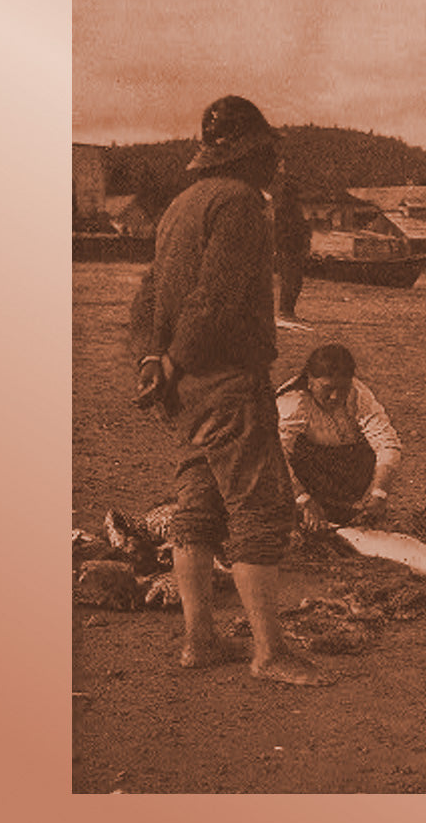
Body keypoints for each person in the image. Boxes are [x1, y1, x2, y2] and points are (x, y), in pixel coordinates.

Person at [129, 95, 330, 687]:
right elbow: (213, 299)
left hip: (185, 387)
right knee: (259, 506)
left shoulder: (178, 208)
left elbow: (148, 294)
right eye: (271, 154)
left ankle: (200, 640)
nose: (276, 166)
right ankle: (270, 653)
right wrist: (176, 358)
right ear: (253, 153)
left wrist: (155, 361)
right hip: (225, 379)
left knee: (198, 504)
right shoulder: (242, 204)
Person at [276, 344, 402, 530]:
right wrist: (302, 499)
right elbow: (276, 456)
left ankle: (343, 506)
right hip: (304, 471)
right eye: (327, 388)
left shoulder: (358, 394)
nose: (335, 396)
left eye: (343, 388)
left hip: (342, 469)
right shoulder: (293, 401)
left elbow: (388, 444)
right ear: (310, 380)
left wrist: (379, 493)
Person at [272, 174, 311, 320]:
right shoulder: (283, 210)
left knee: (295, 281)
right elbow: (279, 230)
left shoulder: (295, 209)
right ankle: (286, 311)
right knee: (290, 281)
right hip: (288, 249)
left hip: (295, 248)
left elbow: (303, 227)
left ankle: (289, 310)